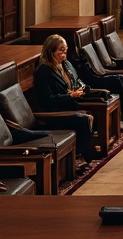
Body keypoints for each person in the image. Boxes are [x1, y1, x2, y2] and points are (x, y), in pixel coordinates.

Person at [33, 34, 98, 164]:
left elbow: (73, 84)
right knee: (83, 119)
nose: (64, 53)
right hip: (53, 114)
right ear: (50, 51)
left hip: (67, 106)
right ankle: (86, 155)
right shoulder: (44, 71)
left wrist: (78, 91)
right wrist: (70, 96)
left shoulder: (63, 65)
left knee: (94, 109)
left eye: (65, 50)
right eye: (60, 50)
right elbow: (47, 100)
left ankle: (83, 151)